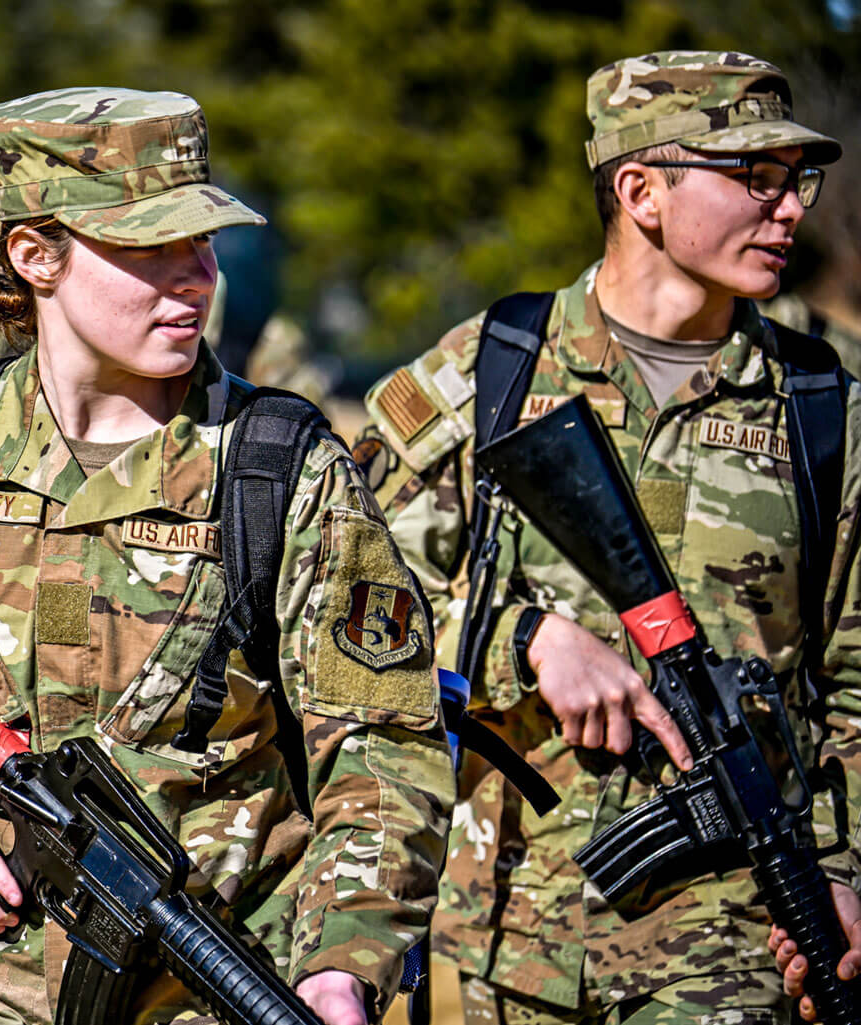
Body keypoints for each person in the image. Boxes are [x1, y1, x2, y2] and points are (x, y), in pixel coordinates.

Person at [0, 87, 454, 1025]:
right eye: (150, 245)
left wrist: (342, 968)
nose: (196, 277)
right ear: (35, 255)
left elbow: (382, 747)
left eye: (204, 241)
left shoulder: (277, 468)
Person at [355, 50, 859, 1024]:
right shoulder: (488, 371)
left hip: (739, 943)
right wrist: (522, 639)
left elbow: (854, 670)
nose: (790, 207)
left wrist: (847, 867)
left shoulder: (822, 408)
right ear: (642, 190)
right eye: (753, 179)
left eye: (795, 179)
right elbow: (350, 606)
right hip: (517, 939)